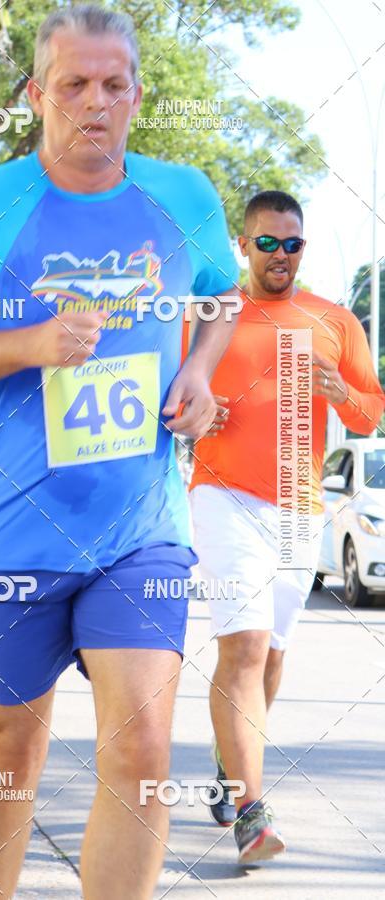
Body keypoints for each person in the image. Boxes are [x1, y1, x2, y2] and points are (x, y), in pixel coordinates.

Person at [0, 5, 240, 898]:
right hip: (11, 535)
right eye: (74, 86)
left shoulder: (184, 195)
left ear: (137, 94)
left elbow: (220, 296)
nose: (95, 102)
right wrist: (34, 342)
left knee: (143, 747)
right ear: (37, 95)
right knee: (10, 747)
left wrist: (201, 371)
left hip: (142, 529)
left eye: (113, 86)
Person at [183, 190, 385, 863]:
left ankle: (230, 762)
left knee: (270, 657)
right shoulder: (211, 316)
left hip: (301, 511)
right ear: (244, 245)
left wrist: (342, 393)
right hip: (222, 495)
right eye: (266, 242)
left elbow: (368, 416)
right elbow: (169, 400)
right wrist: (190, 415)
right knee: (241, 648)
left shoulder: (333, 320)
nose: (279, 255)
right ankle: (251, 812)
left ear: (304, 247)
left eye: (291, 243)